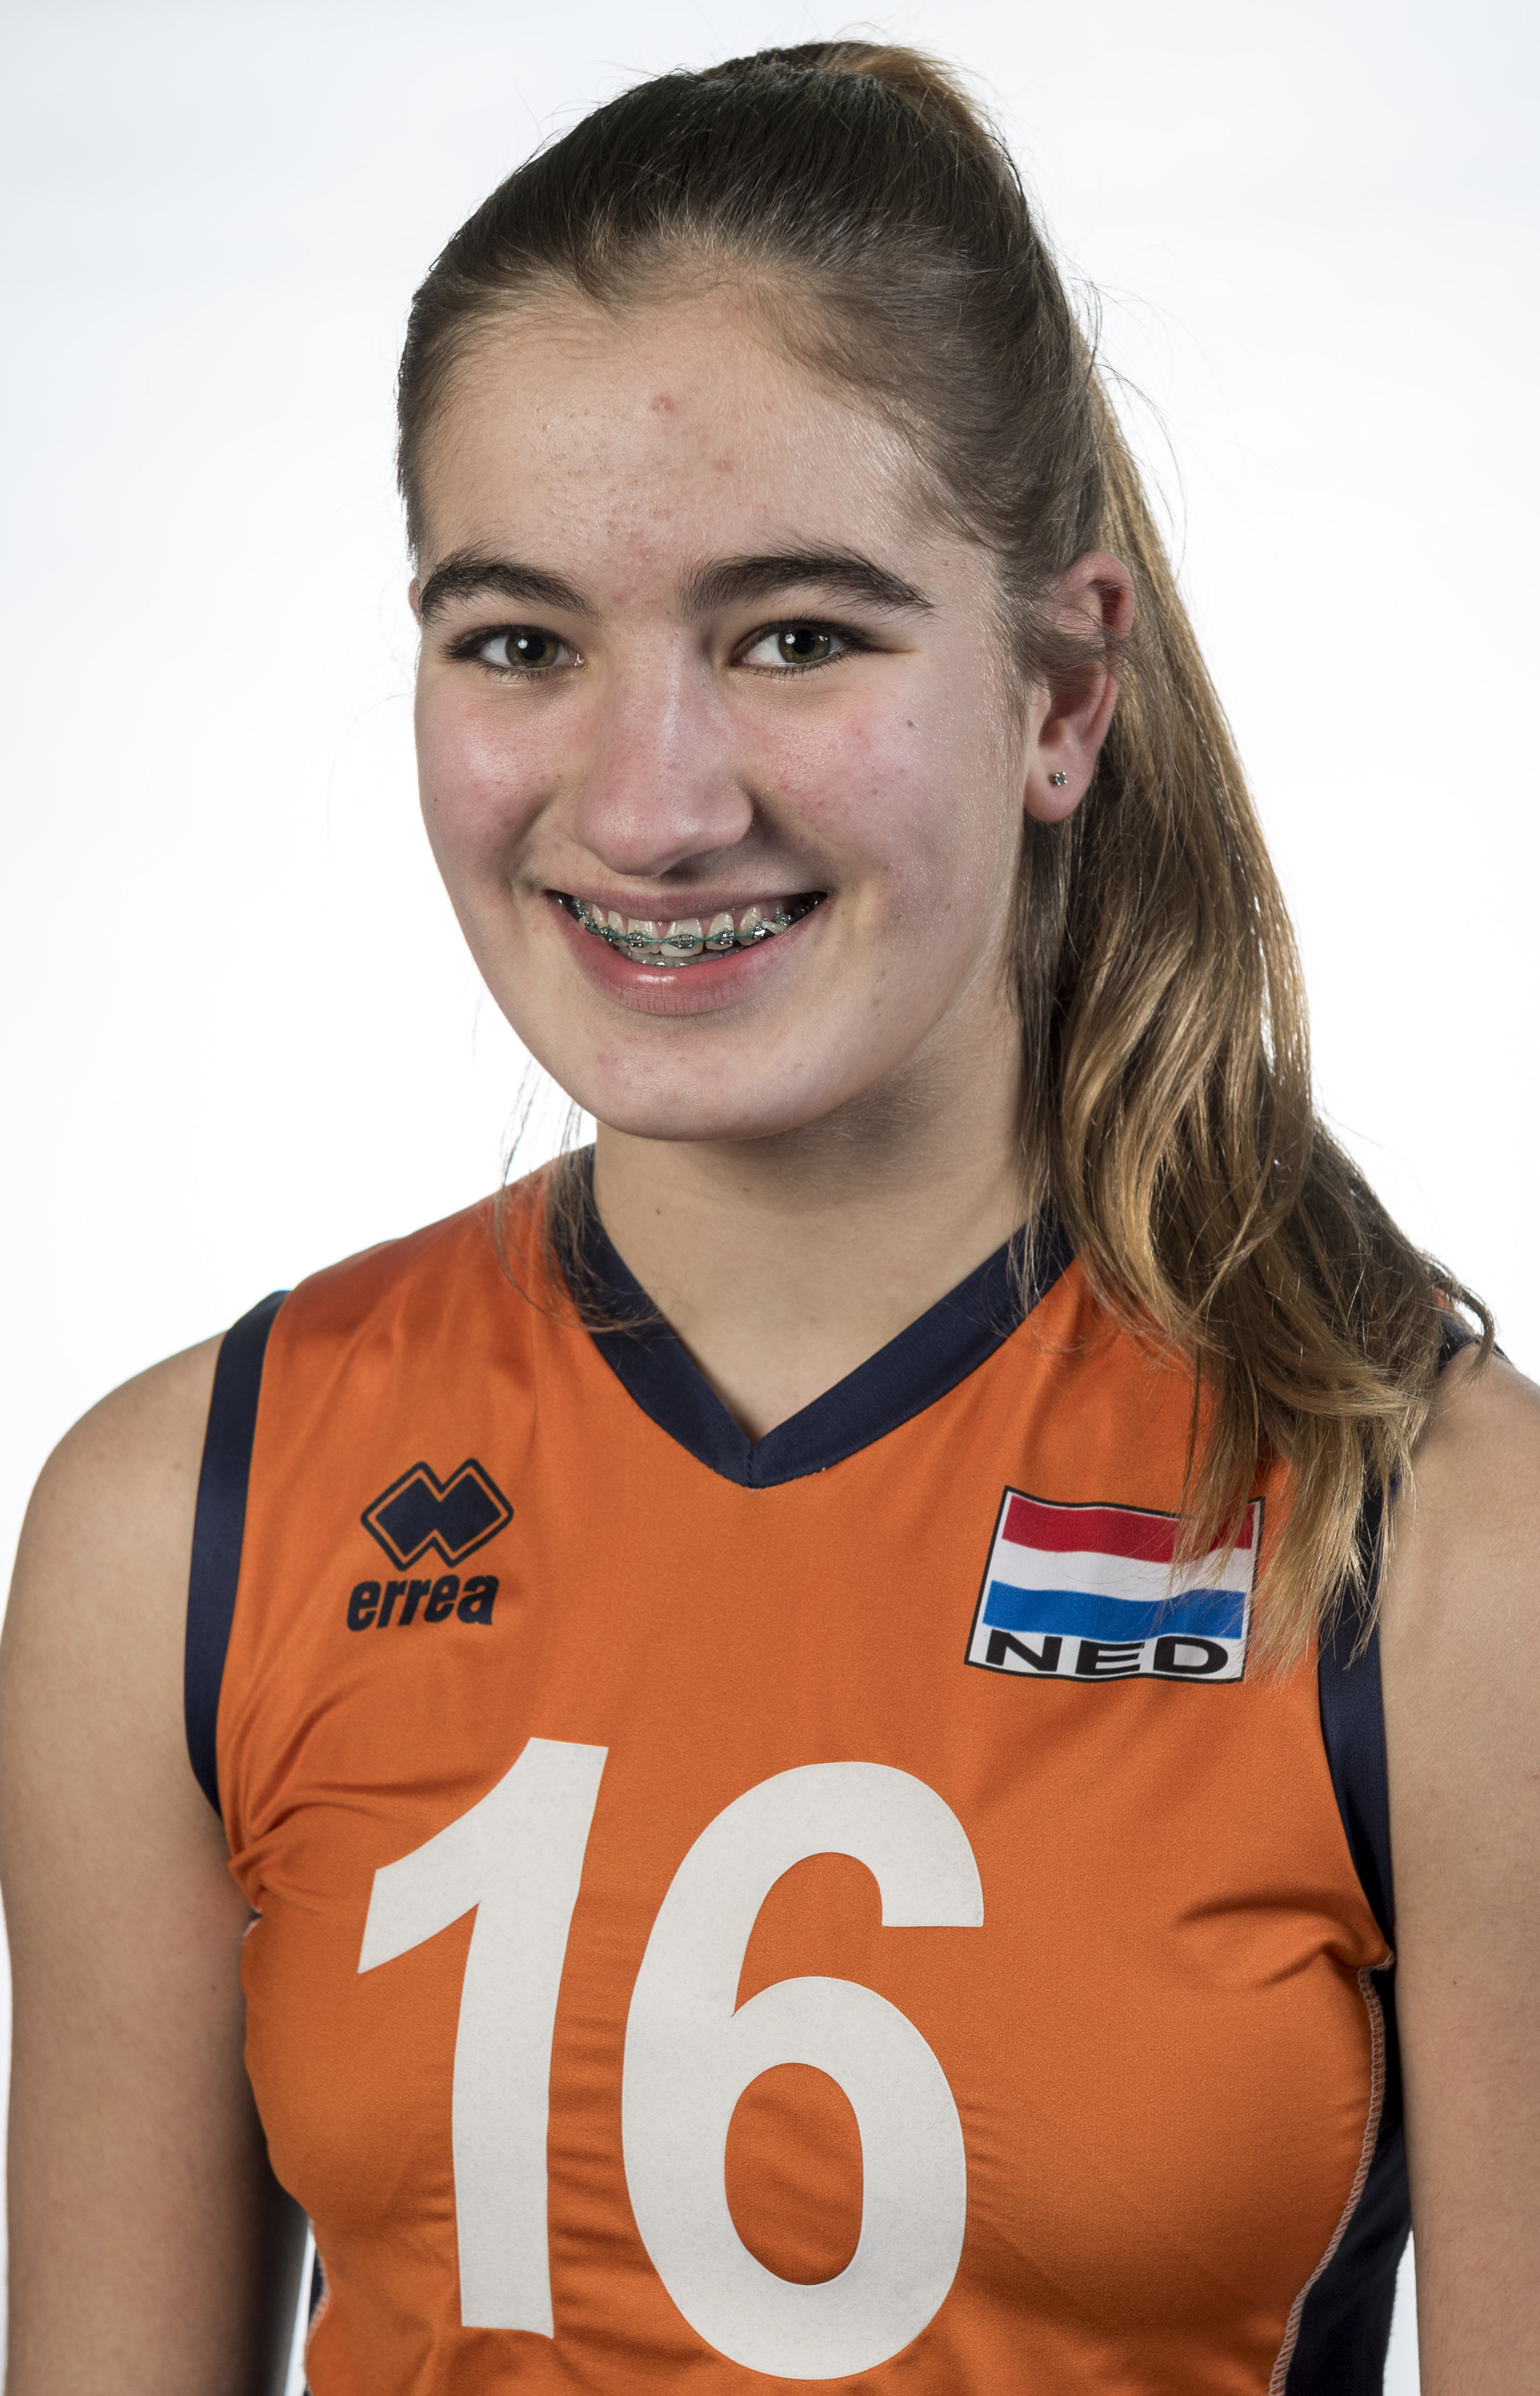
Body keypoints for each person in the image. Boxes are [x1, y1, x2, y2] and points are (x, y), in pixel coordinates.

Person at [2, 39, 1537, 2396]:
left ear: (1063, 690)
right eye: (520, 640)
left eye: (797, 635)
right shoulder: (180, 1522)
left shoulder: (1436, 1545)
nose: (650, 805)